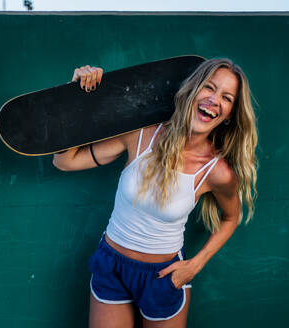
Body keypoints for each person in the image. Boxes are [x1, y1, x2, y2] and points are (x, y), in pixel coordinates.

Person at [53, 58, 258, 328]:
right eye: (209, 88)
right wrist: (75, 96)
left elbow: (231, 218)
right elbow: (64, 161)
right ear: (192, 90)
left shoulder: (216, 172)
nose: (214, 100)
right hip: (111, 267)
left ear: (230, 113)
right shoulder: (141, 135)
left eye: (227, 97)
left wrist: (195, 265)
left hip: (163, 277)